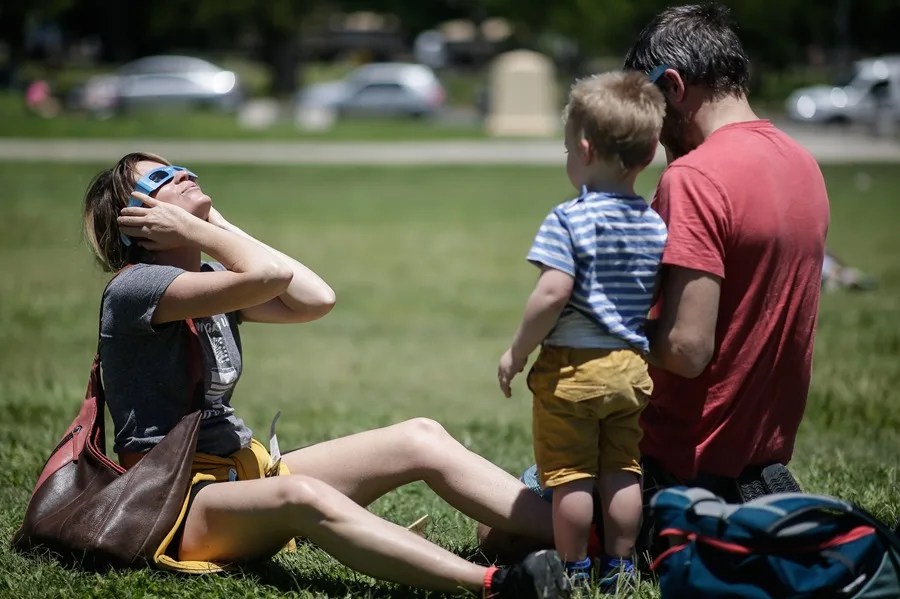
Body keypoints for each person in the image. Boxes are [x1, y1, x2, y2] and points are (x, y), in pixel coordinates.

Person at [82, 151, 571, 598]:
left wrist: (214, 222)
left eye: (182, 167)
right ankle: (500, 585)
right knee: (302, 494)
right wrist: (205, 230)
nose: (185, 174)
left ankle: (587, 535)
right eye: (164, 178)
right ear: (139, 223)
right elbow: (270, 278)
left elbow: (316, 299)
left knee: (420, 437)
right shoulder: (138, 290)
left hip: (240, 473)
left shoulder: (210, 281)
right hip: (178, 504)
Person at [480, 2, 829, 566]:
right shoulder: (801, 163)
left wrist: (598, 330)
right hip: (757, 465)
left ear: (673, 86)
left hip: (679, 467)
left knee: (493, 530)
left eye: (645, 106)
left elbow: (687, 352)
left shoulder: (694, 177)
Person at [496, 71, 666, 588]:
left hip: (573, 369)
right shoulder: (653, 223)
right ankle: (620, 567)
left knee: (570, 476)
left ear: (586, 149)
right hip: (631, 368)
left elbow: (552, 292)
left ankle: (572, 570)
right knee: (622, 469)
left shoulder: (569, 218)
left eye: (568, 149)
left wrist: (516, 351)